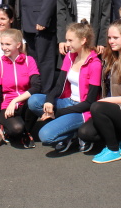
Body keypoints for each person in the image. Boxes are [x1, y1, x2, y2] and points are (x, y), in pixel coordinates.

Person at [78, 20, 121, 163]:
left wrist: (107, 101)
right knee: (85, 133)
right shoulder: (109, 57)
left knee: (97, 107)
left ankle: (113, 149)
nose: (111, 41)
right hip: (110, 109)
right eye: (109, 38)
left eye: (115, 38)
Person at [28, 22, 102, 152]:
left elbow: (90, 102)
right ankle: (66, 127)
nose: (67, 44)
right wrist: (50, 100)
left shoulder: (95, 64)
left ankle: (75, 133)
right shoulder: (70, 56)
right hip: (67, 102)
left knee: (45, 136)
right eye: (66, 40)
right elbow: (59, 85)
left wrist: (57, 114)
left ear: (83, 40)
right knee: (34, 100)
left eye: (70, 40)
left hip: (82, 110)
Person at [0, 28, 41, 148]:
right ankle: (11, 129)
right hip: (7, 108)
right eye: (2, 44)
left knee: (36, 100)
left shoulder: (29, 61)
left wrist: (16, 100)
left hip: (24, 105)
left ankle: (26, 131)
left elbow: (36, 87)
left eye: (8, 44)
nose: (4, 47)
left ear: (18, 45)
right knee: (16, 129)